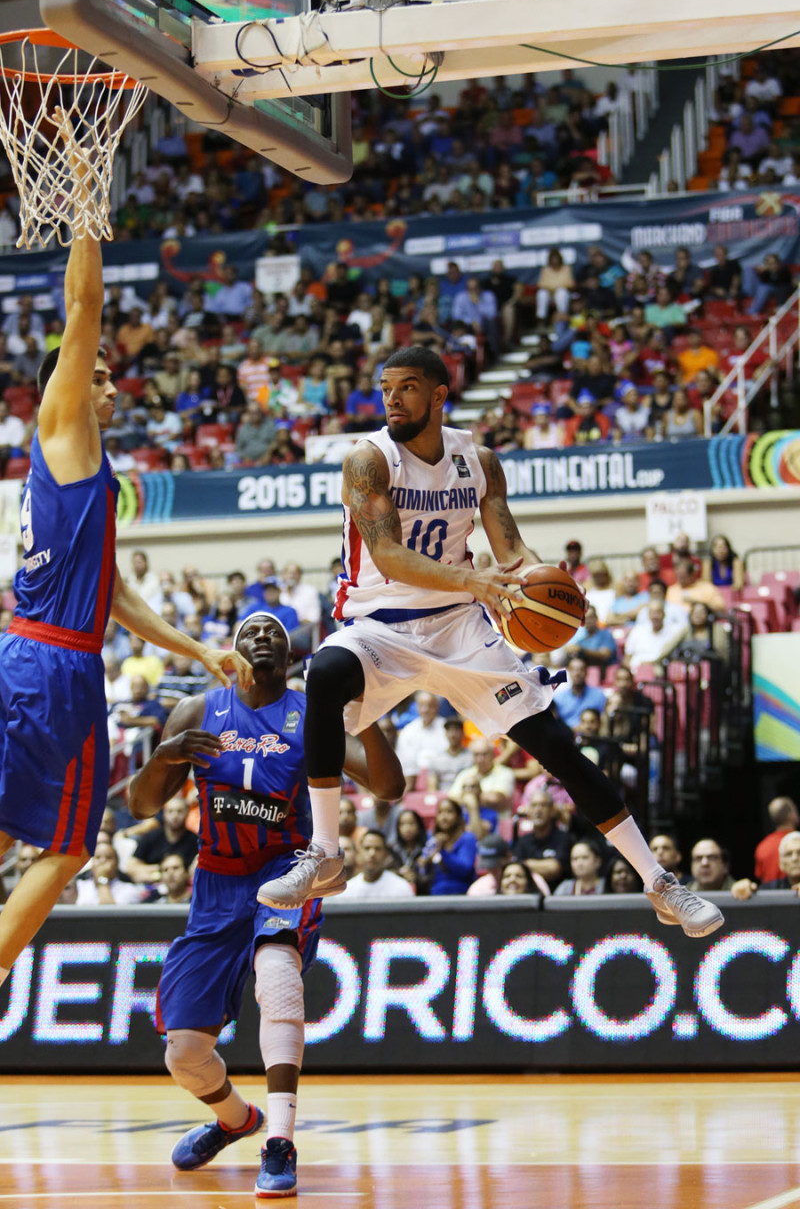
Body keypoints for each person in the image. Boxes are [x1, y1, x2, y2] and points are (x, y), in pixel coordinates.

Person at [257, 346, 723, 941]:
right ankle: (325, 853)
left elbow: (511, 552)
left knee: (557, 745)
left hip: (459, 627)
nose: (392, 399)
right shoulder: (368, 459)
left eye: (406, 387)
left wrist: (546, 587)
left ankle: (659, 883)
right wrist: (476, 580)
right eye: (385, 388)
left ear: (439, 394)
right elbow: (389, 557)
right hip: (381, 623)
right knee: (322, 674)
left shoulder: (477, 461)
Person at [0, 124, 251, 992]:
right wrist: (84, 200)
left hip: (37, 653)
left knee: (8, 832)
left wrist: (194, 650)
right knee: (67, 847)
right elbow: (84, 312)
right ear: (68, 384)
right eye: (97, 375)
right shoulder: (63, 426)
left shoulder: (92, 476)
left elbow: (113, 597)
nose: (110, 385)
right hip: (52, 667)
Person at [127, 611, 404, 1197]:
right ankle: (236, 1120)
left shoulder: (310, 715)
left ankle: (279, 1143)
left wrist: (366, 719)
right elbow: (142, 805)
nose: (263, 638)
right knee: (184, 1054)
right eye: (252, 632)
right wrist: (166, 754)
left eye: (275, 635)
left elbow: (388, 787)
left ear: (291, 658)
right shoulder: (198, 711)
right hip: (216, 886)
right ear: (232, 651)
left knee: (278, 975)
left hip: (285, 871)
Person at [417, 796, 480, 896]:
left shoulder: (468, 838)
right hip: (435, 894)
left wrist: (443, 851)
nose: (444, 816)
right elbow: (423, 869)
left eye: (449, 812)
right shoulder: (432, 839)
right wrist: (425, 863)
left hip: (462, 894)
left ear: (458, 816)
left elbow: (465, 870)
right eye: (440, 812)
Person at [338, 828, 414, 900]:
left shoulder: (401, 889)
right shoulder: (347, 891)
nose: (372, 853)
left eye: (377, 849)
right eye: (367, 848)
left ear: (386, 854)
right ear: (359, 853)